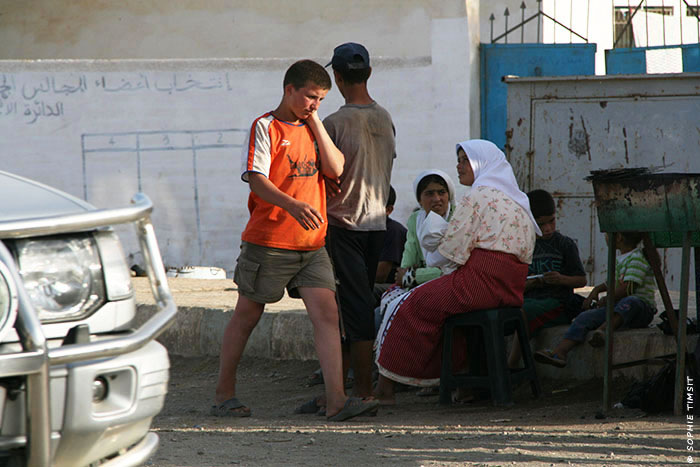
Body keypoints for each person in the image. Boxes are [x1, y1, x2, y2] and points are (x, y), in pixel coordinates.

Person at [211, 59, 378, 421]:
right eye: (310, 98)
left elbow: (336, 168)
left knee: (328, 315)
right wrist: (292, 204)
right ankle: (224, 393)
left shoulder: (313, 127)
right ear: (290, 90)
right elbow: (256, 179)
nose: (314, 104)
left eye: (320, 99)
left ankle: (336, 400)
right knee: (247, 315)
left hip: (312, 246)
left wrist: (315, 120)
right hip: (269, 241)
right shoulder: (265, 126)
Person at [373, 139, 540, 405]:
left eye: (465, 160)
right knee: (449, 315)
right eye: (459, 160)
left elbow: (451, 254)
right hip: (509, 288)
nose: (459, 166)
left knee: (409, 303)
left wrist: (430, 253)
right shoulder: (517, 201)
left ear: (482, 163)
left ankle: (386, 390)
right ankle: (465, 386)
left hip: (479, 285)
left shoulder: (478, 196)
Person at [322, 42, 396, 399]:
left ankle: (363, 392)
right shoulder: (384, 117)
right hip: (376, 224)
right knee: (358, 303)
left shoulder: (333, 123)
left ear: (337, 77)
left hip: (344, 225)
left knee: (352, 308)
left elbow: (323, 174)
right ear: (368, 73)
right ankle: (353, 386)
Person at [534, 231, 657, 368]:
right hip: (617, 308)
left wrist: (606, 299)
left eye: (606, 234)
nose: (605, 237)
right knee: (585, 317)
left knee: (630, 302)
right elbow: (611, 283)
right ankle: (560, 352)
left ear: (619, 237)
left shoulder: (637, 258)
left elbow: (627, 288)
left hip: (640, 310)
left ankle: (603, 330)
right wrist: (596, 290)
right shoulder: (621, 259)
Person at [507, 189, 587, 368]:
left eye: (551, 221)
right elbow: (515, 284)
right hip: (529, 299)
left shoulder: (565, 245)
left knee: (523, 313)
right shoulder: (523, 246)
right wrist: (533, 283)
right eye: (541, 224)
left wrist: (560, 279)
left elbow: (581, 280)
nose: (548, 228)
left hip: (557, 303)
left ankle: (510, 366)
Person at [393, 170, 456, 290]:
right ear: (420, 200)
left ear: (449, 195)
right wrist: (405, 276)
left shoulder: (459, 217)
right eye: (429, 194)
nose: (437, 199)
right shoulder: (416, 219)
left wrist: (413, 276)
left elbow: (452, 269)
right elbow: (409, 254)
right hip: (422, 284)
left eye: (442, 192)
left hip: (451, 285)